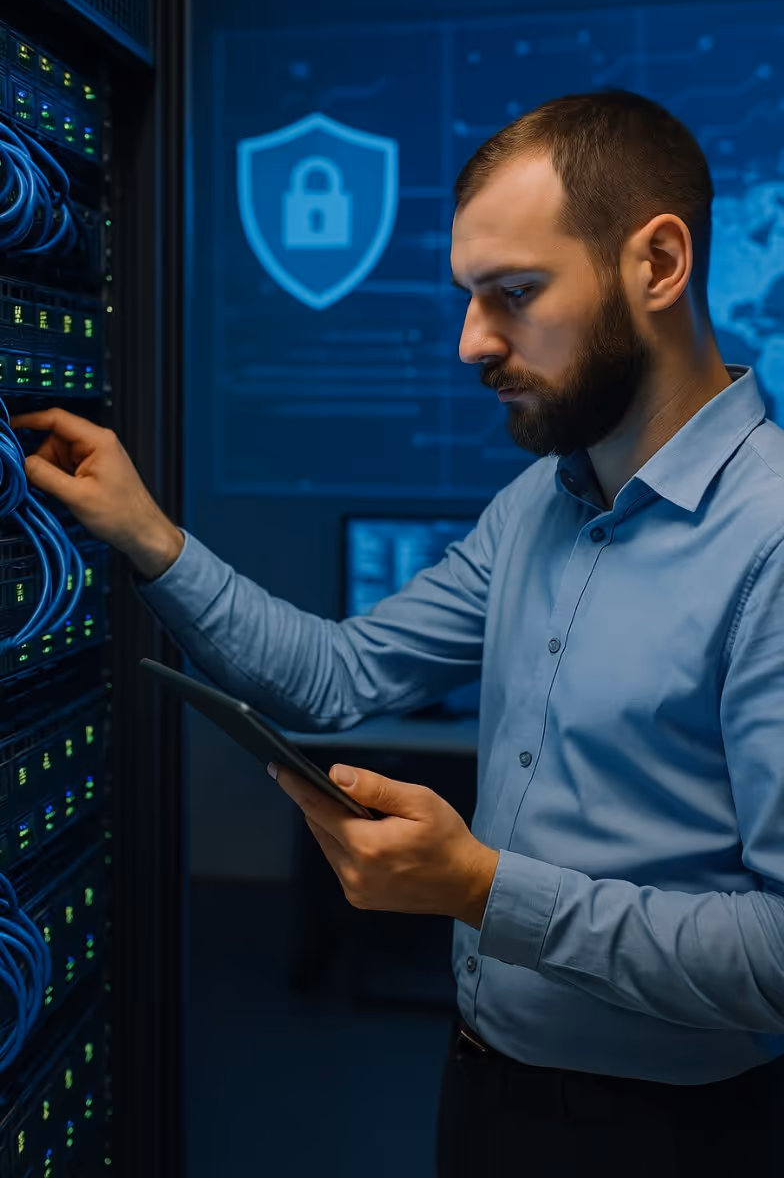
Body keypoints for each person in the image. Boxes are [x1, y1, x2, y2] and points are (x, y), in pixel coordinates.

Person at [11, 89, 784, 1176]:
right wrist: (146, 533)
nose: (472, 342)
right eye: (470, 297)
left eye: (514, 293)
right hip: (481, 1091)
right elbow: (338, 676)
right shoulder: (536, 506)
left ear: (658, 265)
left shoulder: (769, 544)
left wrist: (480, 889)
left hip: (671, 1141)